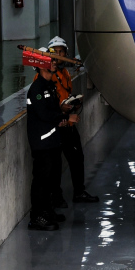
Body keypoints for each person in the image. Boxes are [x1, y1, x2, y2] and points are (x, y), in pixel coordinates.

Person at [46, 36, 98, 204]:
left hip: (67, 123)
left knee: (76, 158)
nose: (59, 55)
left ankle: (79, 191)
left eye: (62, 52)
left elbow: (65, 95)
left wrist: (74, 103)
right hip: (56, 125)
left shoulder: (65, 74)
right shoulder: (47, 77)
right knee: (54, 163)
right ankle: (56, 195)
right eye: (56, 52)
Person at [24, 48, 69, 231]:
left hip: (52, 140)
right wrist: (61, 118)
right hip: (42, 142)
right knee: (41, 181)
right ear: (42, 67)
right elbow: (44, 114)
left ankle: (48, 210)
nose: (54, 64)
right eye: (51, 62)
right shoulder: (37, 89)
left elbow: (53, 110)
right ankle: (37, 217)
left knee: (51, 179)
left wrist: (65, 113)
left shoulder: (49, 86)